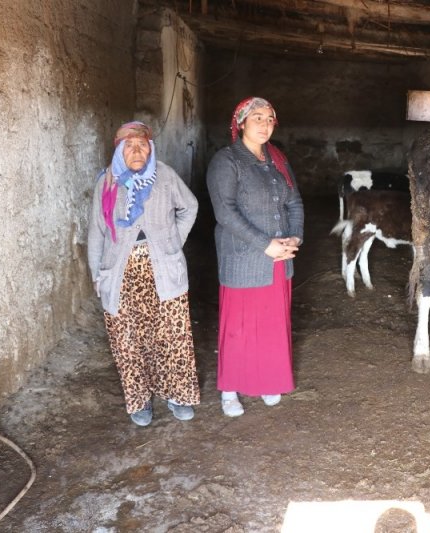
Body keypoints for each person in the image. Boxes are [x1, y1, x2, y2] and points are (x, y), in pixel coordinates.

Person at [87, 121, 200, 426]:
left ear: (151, 148)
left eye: (142, 144)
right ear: (119, 150)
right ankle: (139, 401)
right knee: (128, 338)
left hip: (164, 268)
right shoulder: (107, 182)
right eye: (129, 145)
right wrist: (97, 274)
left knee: (172, 335)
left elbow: (189, 207)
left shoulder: (164, 175)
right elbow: (97, 231)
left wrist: (173, 240)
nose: (136, 150)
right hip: (120, 272)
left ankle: (177, 395)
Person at [206, 97, 304, 417]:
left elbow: (294, 203)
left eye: (269, 119)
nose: (264, 124)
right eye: (257, 118)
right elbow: (226, 213)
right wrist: (266, 244)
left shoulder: (277, 159)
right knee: (239, 326)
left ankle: (267, 379)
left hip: (279, 259)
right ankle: (230, 389)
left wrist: (294, 237)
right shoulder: (227, 160)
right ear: (241, 123)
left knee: (273, 323)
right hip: (244, 258)